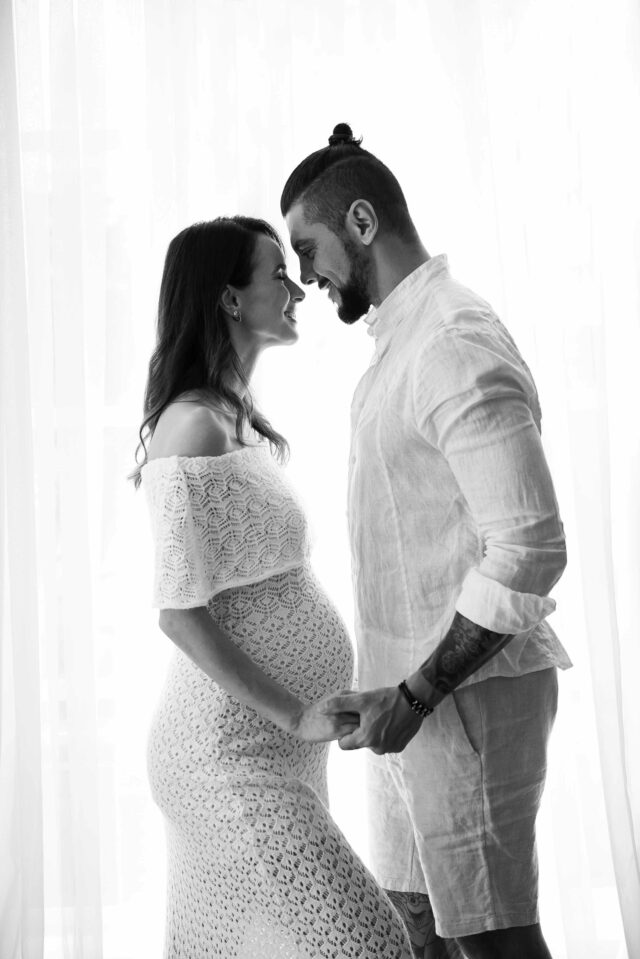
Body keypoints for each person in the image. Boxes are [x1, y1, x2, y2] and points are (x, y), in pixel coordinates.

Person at [280, 125, 571, 959]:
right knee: (417, 932)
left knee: (496, 943)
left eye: (308, 248)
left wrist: (415, 694)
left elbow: (528, 547)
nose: (306, 276)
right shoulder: (401, 342)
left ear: (361, 222)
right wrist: (396, 698)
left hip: (462, 704)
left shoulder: (450, 339)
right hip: (405, 708)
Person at [131, 216, 412, 958]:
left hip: (279, 751)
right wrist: (295, 712)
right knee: (372, 945)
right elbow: (179, 613)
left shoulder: (236, 421)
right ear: (230, 298)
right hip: (227, 755)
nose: (298, 289)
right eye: (277, 275)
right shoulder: (190, 426)